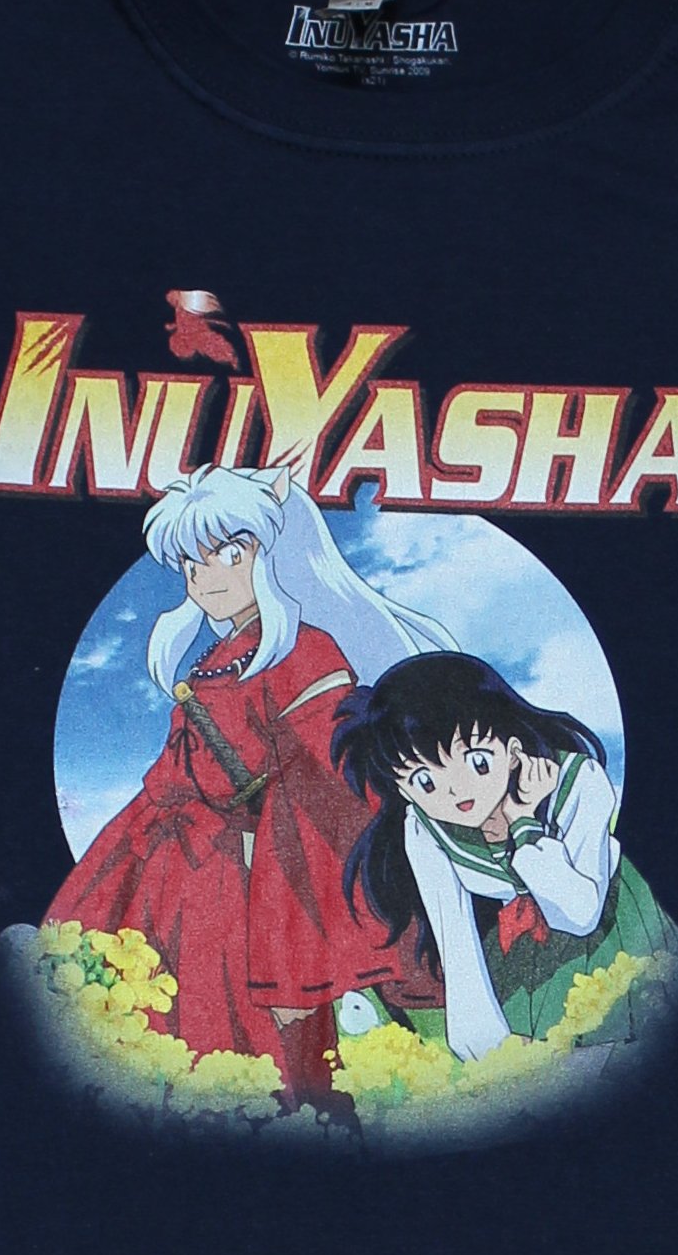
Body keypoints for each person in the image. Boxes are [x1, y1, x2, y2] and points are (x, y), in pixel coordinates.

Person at [44, 463, 451, 1103]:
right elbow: (175, 771)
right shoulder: (210, 660)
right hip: (169, 871)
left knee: (255, 1046)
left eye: (225, 555)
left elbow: (330, 772)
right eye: (190, 564)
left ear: (266, 552)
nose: (204, 578)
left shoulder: (306, 651)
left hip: (251, 879)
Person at [331, 652, 678, 1061]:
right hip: (522, 954)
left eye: (477, 761)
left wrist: (525, 825)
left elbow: (580, 914)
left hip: (613, 927)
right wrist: (491, 1052)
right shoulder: (424, 830)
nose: (455, 791)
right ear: (404, 790)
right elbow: (457, 945)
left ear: (512, 747)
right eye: (424, 780)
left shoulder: (578, 782)